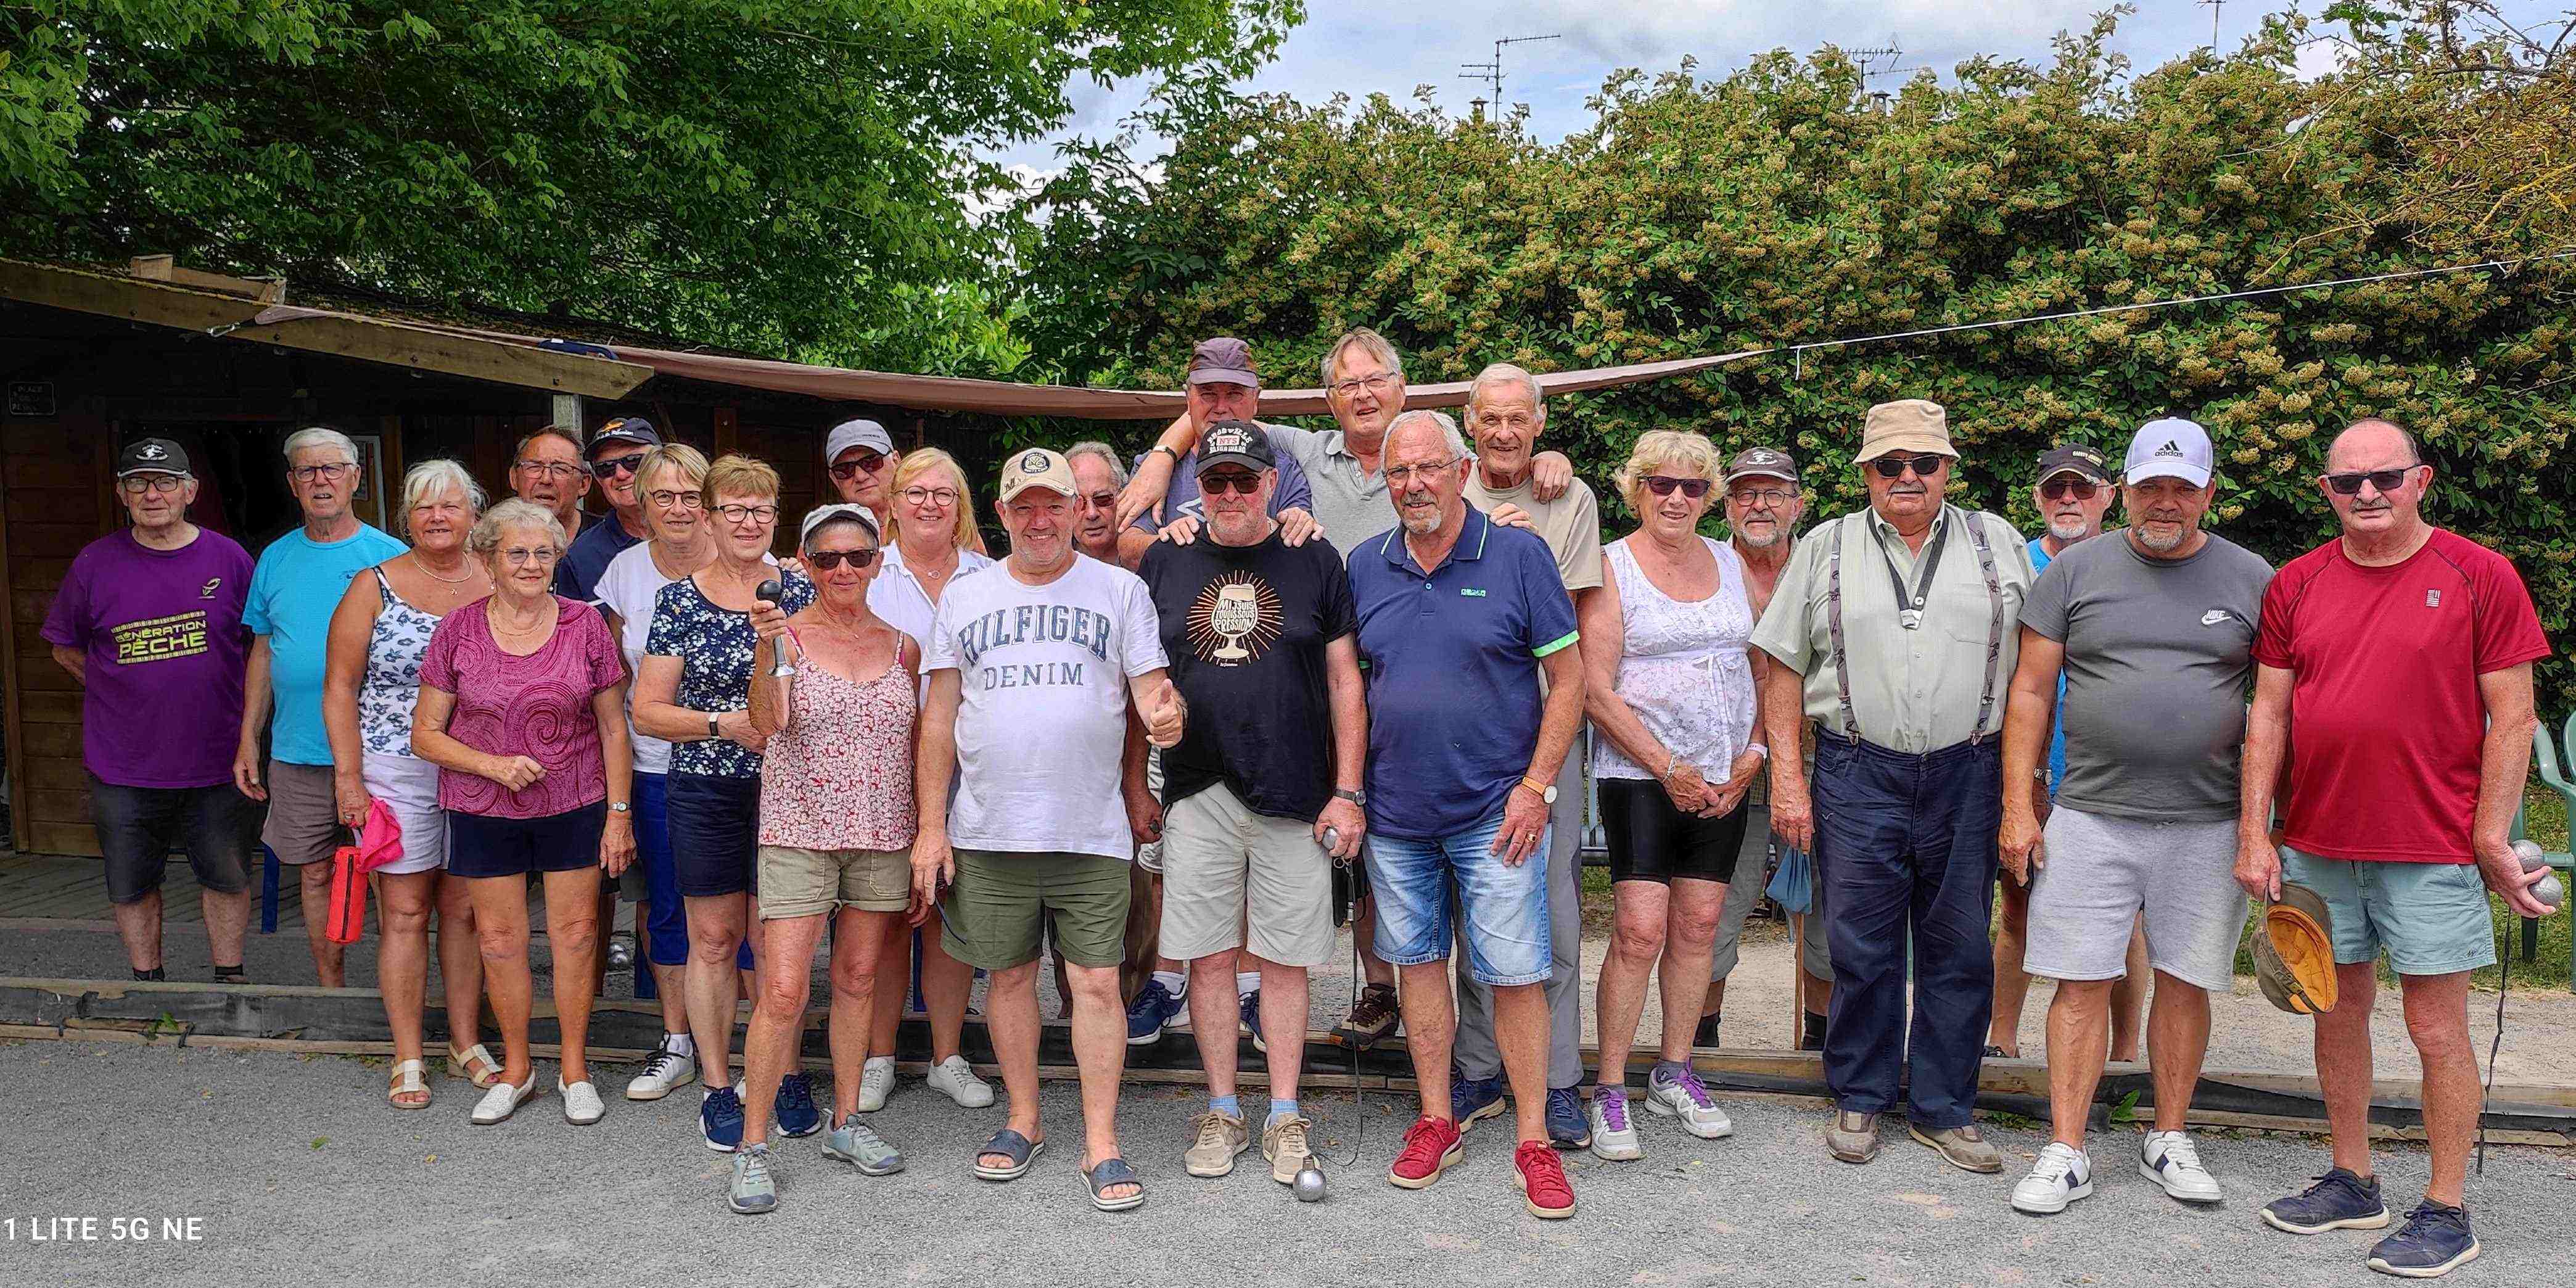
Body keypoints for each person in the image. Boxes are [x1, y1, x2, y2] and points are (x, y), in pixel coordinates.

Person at [1114, 329, 1574, 1049]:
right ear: (1327, 401)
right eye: (1346, 385)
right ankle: (1371, 999)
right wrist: (1162, 461)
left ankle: (1415, 1018)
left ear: (1405, 390)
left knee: (1487, 936)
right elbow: (1224, 421)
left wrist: (1538, 463)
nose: (1362, 394)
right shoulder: (1299, 452)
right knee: (1366, 857)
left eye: (1376, 380)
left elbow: (1499, 474)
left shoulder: (1461, 476)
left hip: (1442, 733)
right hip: (1331, 692)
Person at [2242, 418, 2552, 1279]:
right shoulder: (2296, 583)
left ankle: (2447, 1209)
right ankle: (2353, 1180)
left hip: (2431, 845)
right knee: (2335, 1013)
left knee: (2433, 1027)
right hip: (2315, 842)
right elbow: (2267, 714)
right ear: (2326, 493)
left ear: (2421, 480)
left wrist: (2490, 835)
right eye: (2348, 483)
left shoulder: (2479, 574)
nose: (2367, 494)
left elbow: (2513, 717)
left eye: (2385, 477)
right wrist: (2252, 832)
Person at [1996, 419, 2273, 1215]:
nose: (2165, 502)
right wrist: (2020, 806)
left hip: (2207, 820)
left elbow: (2277, 707)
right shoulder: (2074, 571)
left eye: (2183, 489)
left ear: (2208, 495)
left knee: (2186, 981)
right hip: (2090, 815)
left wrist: (2261, 825)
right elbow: (2029, 694)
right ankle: (2066, 1148)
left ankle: (2169, 1136)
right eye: (2151, 486)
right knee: (2079, 980)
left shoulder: (2252, 578)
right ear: (2124, 490)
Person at [1753, 398, 2035, 1173]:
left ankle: (1946, 1108)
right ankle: (1860, 1095)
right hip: (1856, 766)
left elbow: (2035, 676)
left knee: (1957, 946)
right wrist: (1789, 782)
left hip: (1969, 768)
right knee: (1861, 944)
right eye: (1888, 465)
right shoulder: (1825, 545)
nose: (1906, 477)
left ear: (1948, 469)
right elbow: (1780, 665)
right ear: (1865, 474)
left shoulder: (1998, 543)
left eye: (1923, 463)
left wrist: (2019, 797)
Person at [913, 448, 1183, 1212]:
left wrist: (1166, 719)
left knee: (1097, 982)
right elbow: (938, 720)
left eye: (1054, 505)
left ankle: (1101, 1140)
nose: (1039, 520)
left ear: (1075, 511)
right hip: (990, 826)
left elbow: (1150, 697)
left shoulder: (1120, 591)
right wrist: (932, 827)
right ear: (1000, 515)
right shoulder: (966, 598)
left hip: (1089, 826)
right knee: (1007, 977)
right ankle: (1024, 1120)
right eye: (1023, 507)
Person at [1351, 411, 1585, 1219]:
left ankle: (1532, 1140)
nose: (1413, 484)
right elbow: (1349, 690)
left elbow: (1571, 682)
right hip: (1395, 812)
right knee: (1416, 967)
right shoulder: (1363, 566)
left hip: (1497, 809)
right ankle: (1436, 1119)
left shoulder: (1518, 554)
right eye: (1398, 472)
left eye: (1427, 468)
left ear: (1460, 471)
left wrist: (1535, 787)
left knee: (1515, 976)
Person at [1137, 423, 1367, 1186]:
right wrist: (1148, 744)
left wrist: (1346, 790)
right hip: (1198, 787)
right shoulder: (1166, 557)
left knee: (1285, 960)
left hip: (1294, 791)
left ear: (1272, 484)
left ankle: (1284, 1112)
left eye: (1244, 480)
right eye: (1215, 481)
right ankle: (1223, 1107)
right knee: (1206, 956)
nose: (1229, 494)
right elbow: (1141, 674)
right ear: (1197, 486)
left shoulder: (1314, 556)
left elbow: (1344, 683)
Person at [410, 498, 635, 1126]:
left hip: (575, 801)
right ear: (487, 558)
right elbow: (425, 734)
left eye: (543, 552)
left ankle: (574, 1068)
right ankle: (516, 1070)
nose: (532, 564)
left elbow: (614, 728)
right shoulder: (457, 629)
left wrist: (619, 814)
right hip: (484, 806)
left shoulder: (583, 626)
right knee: (502, 941)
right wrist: (493, 765)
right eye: (517, 552)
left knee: (577, 937)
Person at [1578, 429, 1767, 1160]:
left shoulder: (1729, 561)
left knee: (1699, 927)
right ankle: (1611, 1090)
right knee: (1637, 932)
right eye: (1661, 484)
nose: (1677, 499)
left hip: (1723, 776)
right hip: (1642, 777)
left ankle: (1675, 1069)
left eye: (1692, 487)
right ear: (1637, 491)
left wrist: (1752, 754)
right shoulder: (1612, 564)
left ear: (1709, 495)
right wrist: (1667, 768)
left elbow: (1761, 664)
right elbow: (1595, 688)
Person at [728, 505, 920, 1214]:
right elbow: (767, 723)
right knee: (782, 991)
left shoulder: (903, 645)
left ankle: (846, 1121)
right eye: (829, 558)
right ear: (805, 566)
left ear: (876, 563)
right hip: (799, 830)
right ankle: (753, 1146)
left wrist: (926, 835)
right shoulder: (787, 638)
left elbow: (918, 743)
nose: (844, 569)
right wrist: (763, 650)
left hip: (881, 832)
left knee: (859, 979)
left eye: (859, 557)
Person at [632, 455, 820, 1152]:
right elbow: (647, 711)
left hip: (790, 791)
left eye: (763, 510)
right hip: (707, 786)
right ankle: (717, 1085)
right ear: (708, 518)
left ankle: (787, 1075)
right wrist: (722, 725)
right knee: (713, 940)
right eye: (736, 510)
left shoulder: (801, 591)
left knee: (779, 946)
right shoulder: (680, 600)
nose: (750, 522)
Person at [1454, 363, 1603, 1150]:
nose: (1505, 432)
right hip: (1459, 746)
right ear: (1469, 423)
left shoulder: (1567, 498)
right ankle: (1479, 1069)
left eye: (1519, 418)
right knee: (1472, 911)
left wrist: (1520, 547)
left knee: (1551, 907)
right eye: (1491, 419)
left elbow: (1567, 635)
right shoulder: (1441, 486)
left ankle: (1557, 1079)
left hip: (1541, 735)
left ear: (1539, 425)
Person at [42, 439, 257, 983]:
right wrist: (115, 688)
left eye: (164, 482)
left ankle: (229, 979)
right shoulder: (95, 562)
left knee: (227, 875)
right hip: (124, 761)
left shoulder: (230, 559)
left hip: (218, 755)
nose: (152, 493)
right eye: (138, 482)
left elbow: (259, 645)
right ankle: (147, 983)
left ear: (190, 491)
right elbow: (63, 645)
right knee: (131, 880)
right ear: (121, 493)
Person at [320, 460, 500, 1107]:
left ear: (475, 514)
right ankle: (407, 1054)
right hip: (395, 770)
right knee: (403, 912)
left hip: (481, 770)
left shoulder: (498, 578)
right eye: (423, 507)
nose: (437, 517)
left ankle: (463, 1041)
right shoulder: (374, 585)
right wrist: (349, 777)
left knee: (466, 911)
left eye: (450, 505)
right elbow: (339, 685)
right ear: (407, 518)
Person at [591, 444, 751, 1102]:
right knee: (669, 910)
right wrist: (619, 802)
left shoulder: (746, 565)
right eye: (664, 496)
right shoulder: (623, 573)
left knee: (746, 917)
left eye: (692, 496)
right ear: (642, 504)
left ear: (713, 506)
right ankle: (677, 1043)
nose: (679, 509)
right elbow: (614, 690)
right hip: (656, 765)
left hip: (749, 768)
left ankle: (745, 1043)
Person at [1989, 442, 2149, 1063]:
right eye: (2055, 489)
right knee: (2019, 903)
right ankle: (2001, 1038)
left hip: (2109, 771)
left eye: (2082, 489)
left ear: (2109, 496)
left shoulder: (2135, 563)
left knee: (2123, 919)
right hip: (2026, 766)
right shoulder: (2011, 566)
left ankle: (2125, 1052)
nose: (2068, 500)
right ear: (2037, 498)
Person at [234, 426, 408, 986]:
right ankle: (330, 990)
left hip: (380, 750)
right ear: (292, 483)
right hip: (298, 747)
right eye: (307, 471)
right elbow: (263, 650)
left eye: (331, 469)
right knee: (312, 872)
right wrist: (247, 738)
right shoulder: (275, 558)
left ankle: (392, 993)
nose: (320, 480)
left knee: (389, 874)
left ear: (356, 477)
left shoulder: (391, 558)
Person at [854, 446, 997, 1113]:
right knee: (885, 917)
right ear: (893, 504)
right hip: (881, 767)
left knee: (949, 916)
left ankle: (945, 1055)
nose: (930, 504)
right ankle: (879, 1056)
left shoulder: (989, 576)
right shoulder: (866, 574)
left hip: (969, 769)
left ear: (961, 506)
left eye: (944, 493)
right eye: (916, 492)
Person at [1697, 447, 1832, 1052]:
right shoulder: (1702, 567)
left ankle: (1820, 1044)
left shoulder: (1826, 566)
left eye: (1773, 493)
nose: (1759, 505)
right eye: (1746, 493)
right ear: (1726, 506)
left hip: (1816, 759)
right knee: (1713, 900)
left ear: (1797, 505)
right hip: (1725, 763)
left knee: (1827, 902)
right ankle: (1699, 1043)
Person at [1064, 439, 1167, 1017]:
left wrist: (1137, 781)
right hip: (1069, 767)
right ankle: (1073, 1014)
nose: (1092, 512)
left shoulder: (1155, 564)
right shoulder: (1041, 572)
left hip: (1145, 751)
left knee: (1139, 889)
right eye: (1076, 501)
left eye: (1103, 498)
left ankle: (1137, 1006)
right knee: (1071, 894)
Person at [1109, 338, 1318, 570]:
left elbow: (1297, 540)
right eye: (1208, 394)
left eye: (1235, 394)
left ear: (1256, 400)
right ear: (1188, 399)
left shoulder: (1282, 467)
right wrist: (1170, 542)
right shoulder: (1154, 468)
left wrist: (1296, 524)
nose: (1221, 407)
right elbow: (1128, 549)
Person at [557, 416, 662, 603]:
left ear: (662, 464)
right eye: (606, 468)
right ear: (597, 480)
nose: (621, 474)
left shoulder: (703, 532)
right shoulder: (581, 557)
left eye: (634, 461)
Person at [509, 425, 594, 550]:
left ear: (583, 484)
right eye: (534, 467)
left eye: (560, 469)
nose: (546, 480)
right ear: (514, 478)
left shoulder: (607, 541)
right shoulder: (492, 541)